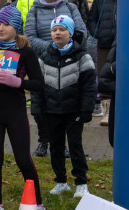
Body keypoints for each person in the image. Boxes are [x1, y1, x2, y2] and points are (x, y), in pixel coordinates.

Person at [0, 6, 50, 210]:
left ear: (16, 28)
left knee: (23, 159)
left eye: (6, 24)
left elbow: (39, 84)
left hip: (15, 110)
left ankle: (39, 207)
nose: (0, 28)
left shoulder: (26, 52)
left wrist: (19, 83)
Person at [31, 15, 96, 199]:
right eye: (54, 30)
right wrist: (37, 108)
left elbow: (90, 85)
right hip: (51, 111)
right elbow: (37, 86)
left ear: (71, 33)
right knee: (56, 147)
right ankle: (61, 181)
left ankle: (81, 183)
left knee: (75, 145)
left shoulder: (82, 56)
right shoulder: (44, 57)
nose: (57, 33)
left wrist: (86, 109)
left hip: (74, 111)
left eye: (62, 29)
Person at [25, 0, 88, 157]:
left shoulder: (70, 7)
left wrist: (67, 49)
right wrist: (50, 48)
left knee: (64, 102)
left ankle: (63, 143)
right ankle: (44, 140)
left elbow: (81, 31)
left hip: (68, 61)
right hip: (43, 61)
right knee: (41, 103)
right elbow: (29, 35)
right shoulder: (35, 10)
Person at [88, 0, 118, 118]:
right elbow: (91, 19)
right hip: (104, 44)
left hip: (122, 46)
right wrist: (97, 33)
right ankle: (106, 111)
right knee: (104, 78)